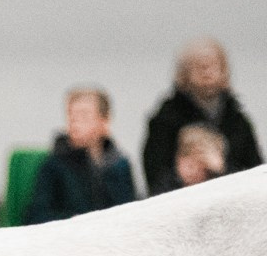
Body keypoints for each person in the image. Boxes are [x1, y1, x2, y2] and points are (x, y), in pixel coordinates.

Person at [142, 38, 261, 195]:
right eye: (199, 66)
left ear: (223, 69)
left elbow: (255, 174)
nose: (206, 71)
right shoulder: (165, 120)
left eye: (212, 65)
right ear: (184, 73)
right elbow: (154, 175)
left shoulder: (238, 122)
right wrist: (181, 175)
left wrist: (222, 168)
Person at [24, 87, 138, 224]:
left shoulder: (119, 165)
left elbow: (129, 213)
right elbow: (37, 215)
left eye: (84, 116)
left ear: (104, 121)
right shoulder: (54, 165)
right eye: (71, 116)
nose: (75, 123)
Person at [174, 123, 227, 188]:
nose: (191, 165)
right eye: (186, 154)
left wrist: (220, 169)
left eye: (199, 155)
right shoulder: (166, 188)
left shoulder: (219, 185)